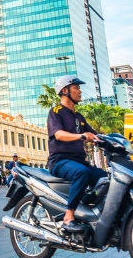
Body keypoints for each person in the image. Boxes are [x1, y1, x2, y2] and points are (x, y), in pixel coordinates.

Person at [46, 75, 107, 233]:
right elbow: (58, 134)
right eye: (76, 88)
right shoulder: (55, 112)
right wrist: (81, 136)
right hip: (60, 161)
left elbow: (94, 136)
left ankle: (89, 210)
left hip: (79, 161)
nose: (80, 91)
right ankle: (69, 216)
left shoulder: (79, 117)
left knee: (105, 178)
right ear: (65, 91)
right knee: (81, 172)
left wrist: (113, 141)